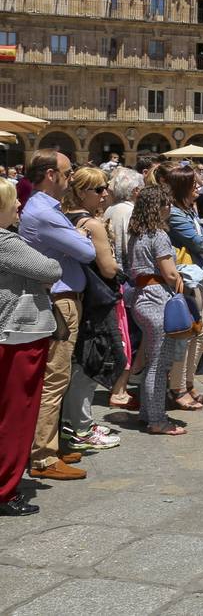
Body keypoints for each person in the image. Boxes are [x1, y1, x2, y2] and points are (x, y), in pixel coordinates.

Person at [20, 149, 98, 482]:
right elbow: (87, 251)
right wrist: (82, 236)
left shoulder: (47, 209)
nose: (70, 179)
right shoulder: (45, 212)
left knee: (58, 376)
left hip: (63, 298)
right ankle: (43, 455)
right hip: (60, 300)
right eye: (68, 173)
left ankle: (50, 443)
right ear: (51, 174)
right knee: (54, 377)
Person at [0, 178, 62, 515]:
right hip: (17, 335)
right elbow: (50, 268)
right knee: (17, 414)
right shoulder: (5, 241)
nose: (19, 206)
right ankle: (6, 489)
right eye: (12, 202)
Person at [59, 167, 123, 453]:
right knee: (91, 362)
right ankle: (82, 426)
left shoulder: (65, 218)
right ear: (82, 192)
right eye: (98, 189)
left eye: (105, 188)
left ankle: (72, 422)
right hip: (97, 301)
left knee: (75, 361)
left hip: (77, 297)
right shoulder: (93, 224)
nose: (104, 194)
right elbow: (108, 269)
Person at [124, 186, 187, 435]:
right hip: (158, 299)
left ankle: (147, 413)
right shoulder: (159, 235)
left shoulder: (136, 234)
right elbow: (170, 273)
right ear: (157, 207)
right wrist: (181, 281)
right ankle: (158, 420)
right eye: (166, 204)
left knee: (152, 359)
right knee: (159, 364)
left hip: (140, 298)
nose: (169, 208)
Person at [162, 165, 203, 412]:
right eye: (195, 185)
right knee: (189, 332)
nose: (200, 188)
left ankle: (187, 380)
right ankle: (178, 387)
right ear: (183, 187)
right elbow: (201, 241)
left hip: (198, 276)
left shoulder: (188, 210)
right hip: (185, 278)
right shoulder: (174, 213)